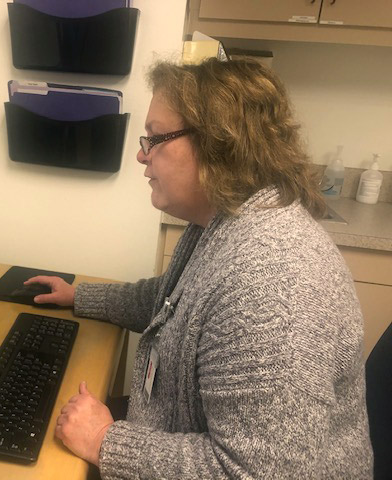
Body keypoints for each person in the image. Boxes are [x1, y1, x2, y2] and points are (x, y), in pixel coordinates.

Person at [25, 58, 373, 479]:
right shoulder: (224, 218)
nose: (141, 154)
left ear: (217, 144)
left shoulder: (272, 282)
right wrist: (78, 295)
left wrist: (104, 441)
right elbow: (171, 303)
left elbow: (251, 473)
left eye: (155, 138)